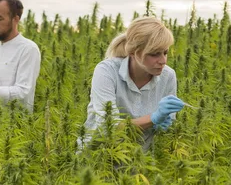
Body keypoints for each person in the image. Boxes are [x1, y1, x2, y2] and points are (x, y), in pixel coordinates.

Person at [79, 16, 185, 150]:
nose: (163, 61)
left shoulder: (168, 76)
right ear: (134, 52)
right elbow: (108, 128)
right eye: (154, 54)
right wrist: (153, 118)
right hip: (99, 157)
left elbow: (168, 123)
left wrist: (165, 124)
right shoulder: (106, 71)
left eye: (165, 53)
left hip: (141, 160)